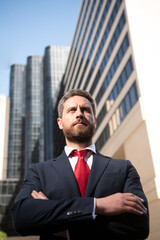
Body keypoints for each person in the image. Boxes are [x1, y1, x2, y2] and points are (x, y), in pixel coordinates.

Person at [11, 89, 149, 240]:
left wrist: (62, 226)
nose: (79, 114)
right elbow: (21, 216)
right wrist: (97, 205)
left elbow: (140, 225)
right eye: (71, 110)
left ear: (95, 121)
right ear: (60, 122)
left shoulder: (123, 168)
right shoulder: (39, 171)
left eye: (85, 110)